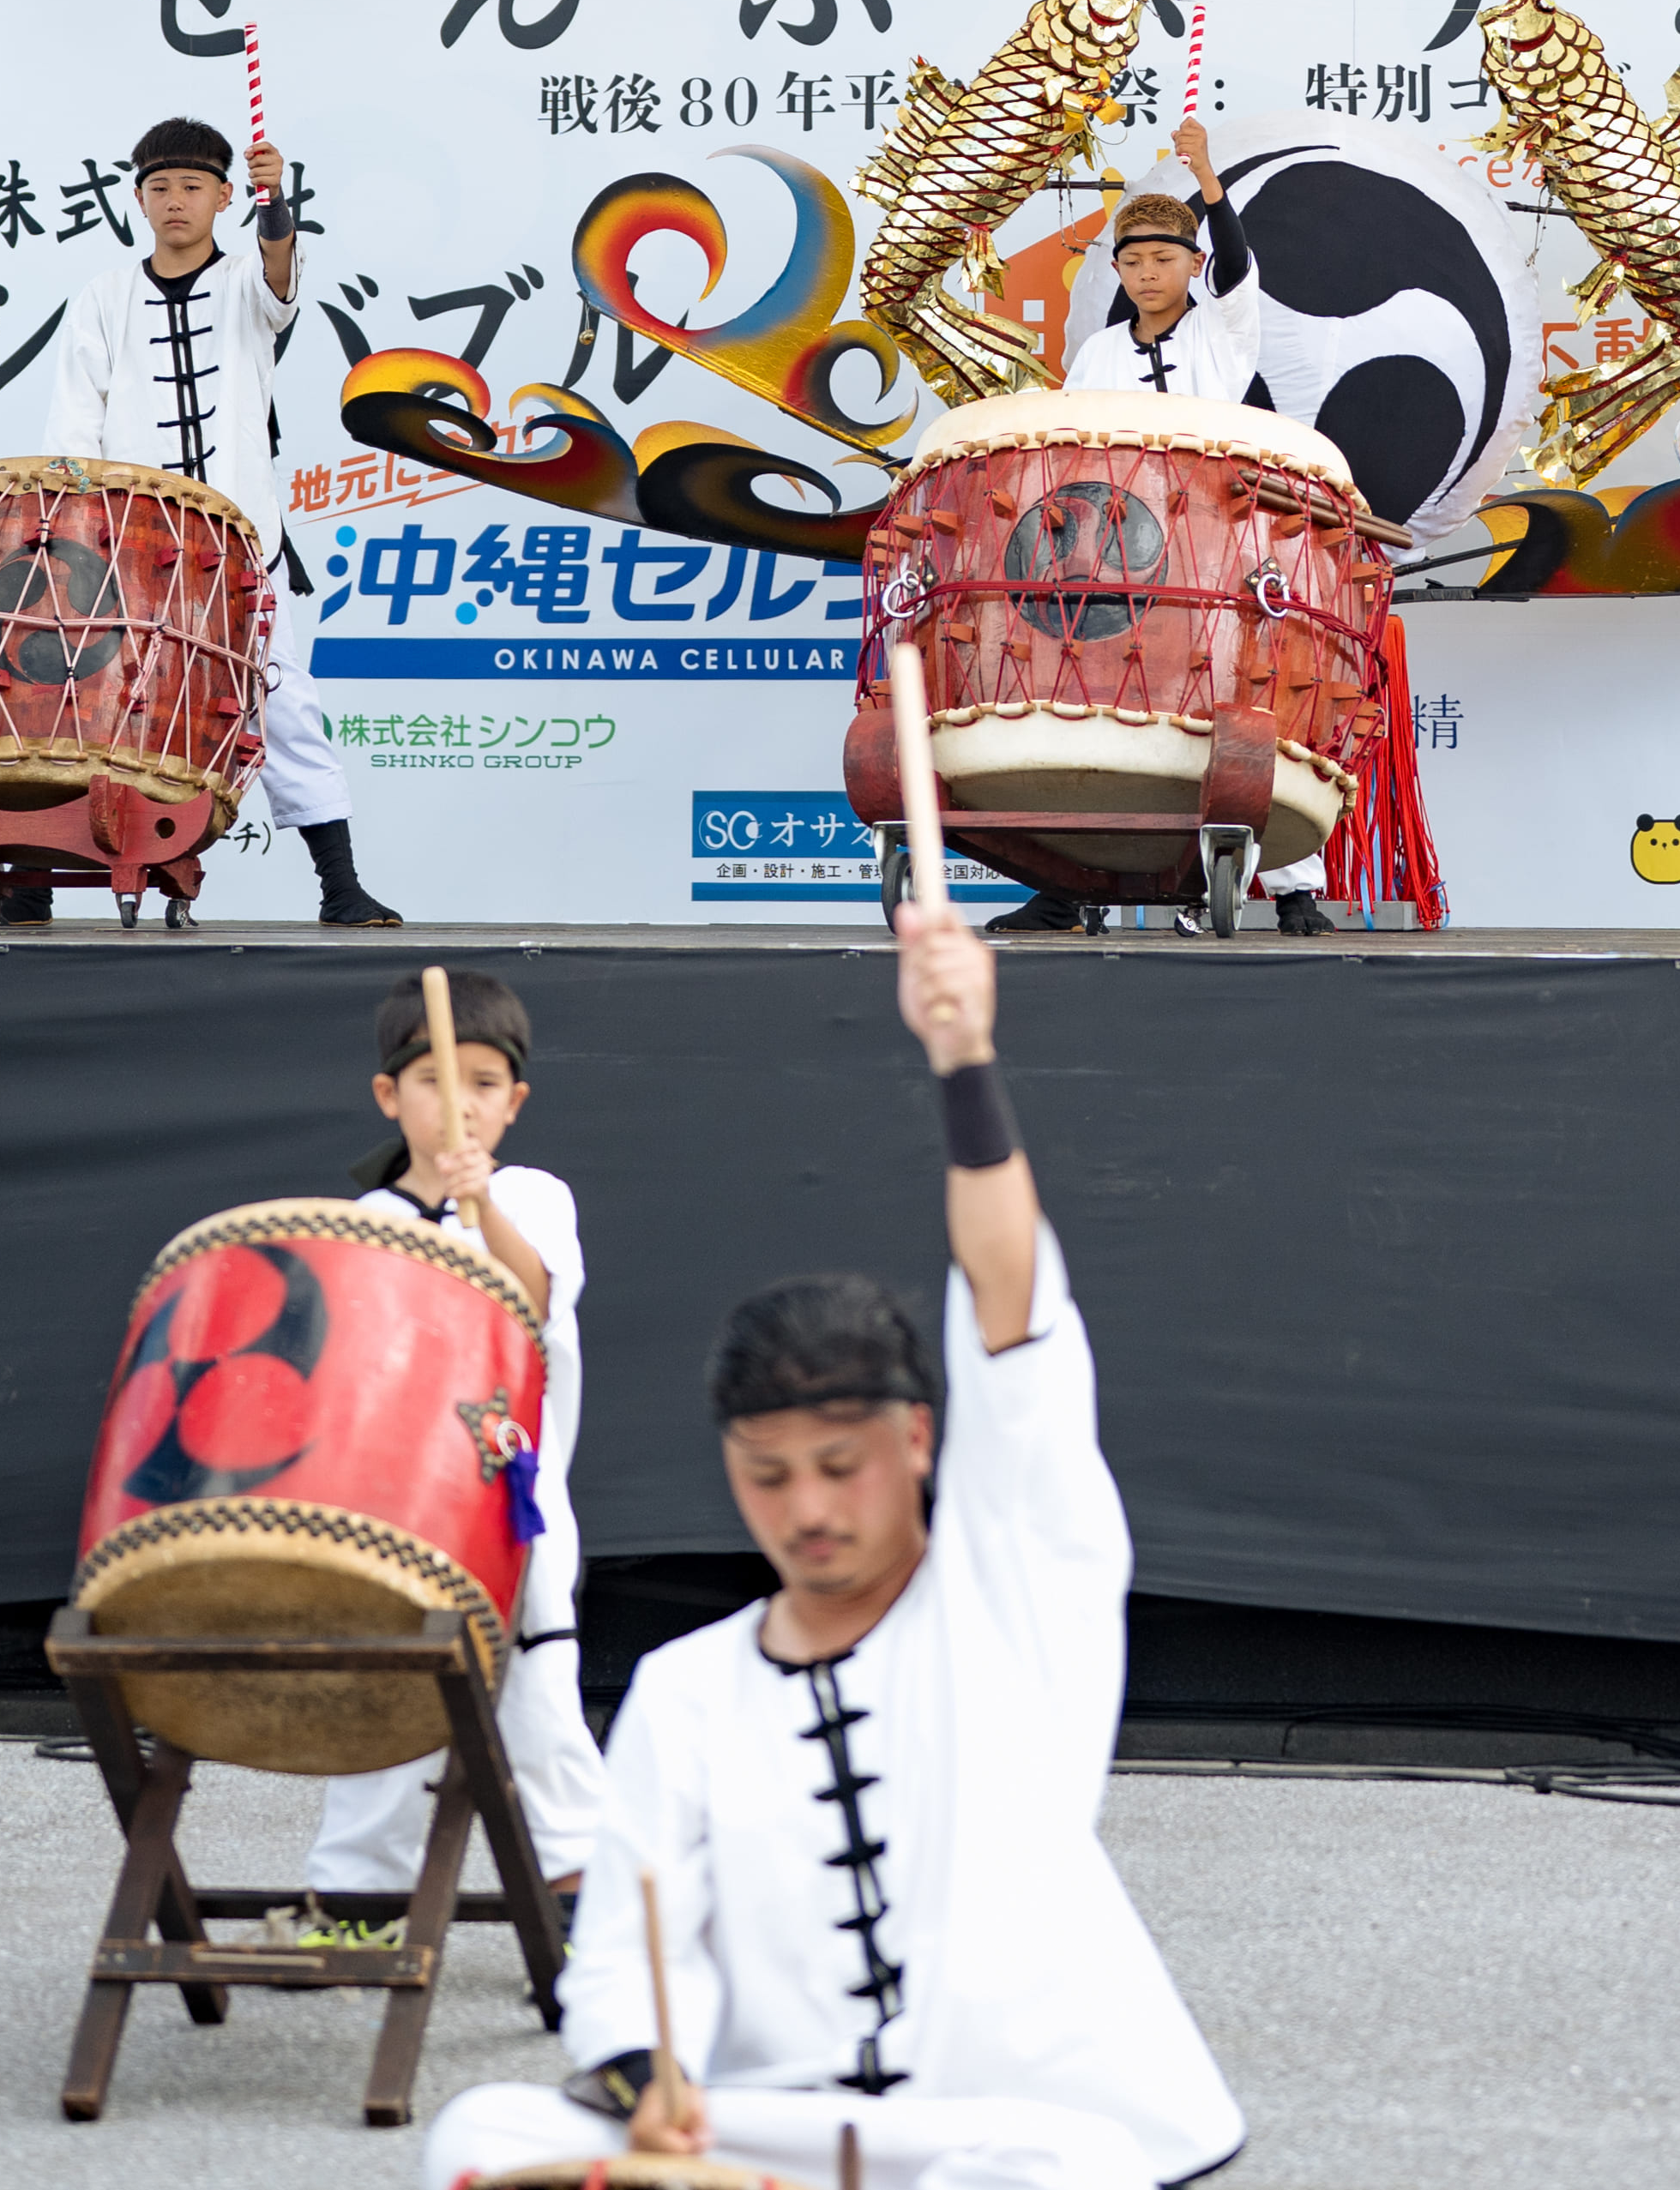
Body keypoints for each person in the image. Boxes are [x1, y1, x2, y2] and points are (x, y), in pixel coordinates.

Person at [418, 905, 1244, 2190]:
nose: (806, 1508)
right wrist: (651, 2075)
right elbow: (631, 1954)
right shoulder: (687, 1690)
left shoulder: (1011, 1590)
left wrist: (967, 1065)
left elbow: (1017, 1317)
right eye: (768, 1475)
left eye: (838, 1467)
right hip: (777, 2130)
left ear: (917, 1442)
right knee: (482, 2132)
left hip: (1017, 2123)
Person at [21, 115, 395, 928]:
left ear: (226, 195)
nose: (175, 201)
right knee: (83, 706)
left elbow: (281, 276)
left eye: (193, 186)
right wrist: (76, 537)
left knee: (284, 704)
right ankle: (25, 885)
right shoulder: (102, 298)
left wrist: (277, 200)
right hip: (125, 548)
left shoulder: (250, 290)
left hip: (239, 543)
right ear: (138, 199)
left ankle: (340, 885)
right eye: (159, 187)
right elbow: (73, 428)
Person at [303, 969, 605, 1913]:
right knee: (383, 1703)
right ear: (392, 1096)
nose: (460, 1103)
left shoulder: (534, 1197)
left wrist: (485, 1208)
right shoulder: (367, 1221)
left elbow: (535, 1298)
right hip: (399, 1516)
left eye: (483, 1082)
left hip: (517, 1508)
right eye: (434, 1080)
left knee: (542, 1708)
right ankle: (358, 1901)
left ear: (513, 1102)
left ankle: (583, 1903)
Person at [1007, 117, 1328, 942]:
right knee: (1101, 705)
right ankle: (1070, 888)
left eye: (1165, 259)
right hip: (1124, 557)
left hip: (1223, 547)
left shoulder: (1225, 328)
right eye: (1135, 261)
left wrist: (1208, 177)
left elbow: (1239, 257)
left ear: (1192, 266)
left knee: (1240, 704)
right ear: (1116, 271)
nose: (1149, 273)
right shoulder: (1099, 352)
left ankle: (1293, 893)